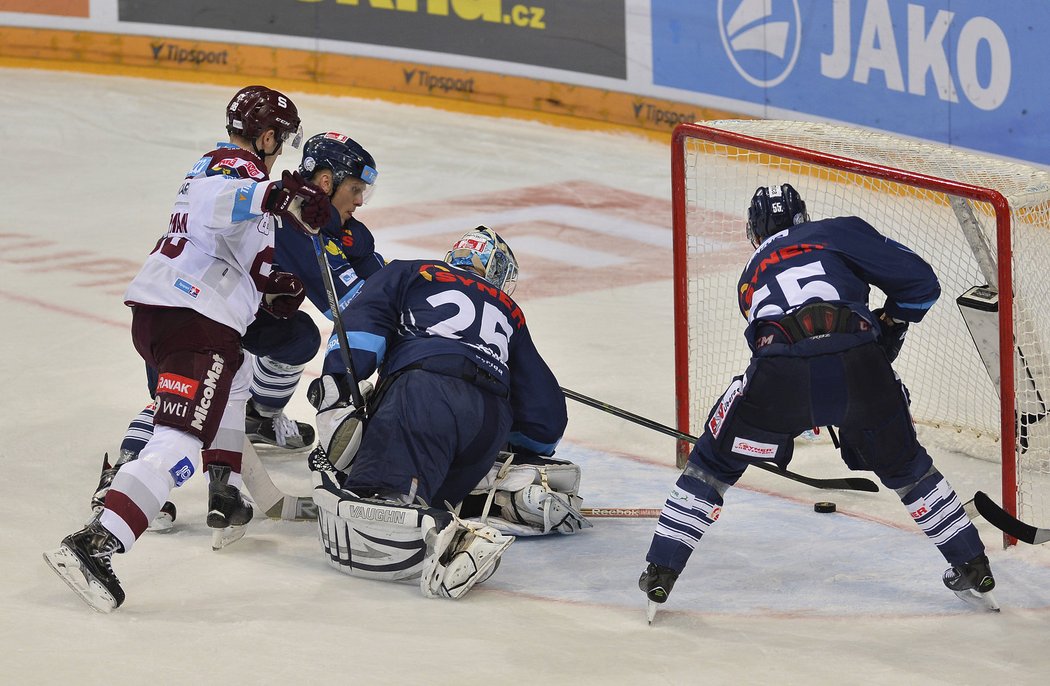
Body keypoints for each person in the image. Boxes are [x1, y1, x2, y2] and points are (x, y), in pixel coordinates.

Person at [639, 183, 998, 619]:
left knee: (712, 465)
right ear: (803, 219)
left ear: (754, 233)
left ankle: (661, 571)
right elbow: (922, 285)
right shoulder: (836, 232)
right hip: (862, 369)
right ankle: (972, 565)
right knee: (906, 466)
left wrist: (806, 409)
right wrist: (892, 321)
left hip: (779, 377)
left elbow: (789, 351)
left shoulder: (748, 277)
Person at [44, 85, 332, 612]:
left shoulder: (224, 168)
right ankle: (96, 543)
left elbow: (226, 243)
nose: (281, 150)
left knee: (238, 379)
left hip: (168, 312)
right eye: (281, 140)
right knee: (178, 442)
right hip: (195, 319)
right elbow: (214, 205)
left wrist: (273, 284)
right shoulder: (234, 169)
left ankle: (222, 485)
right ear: (266, 136)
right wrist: (273, 195)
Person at [88, 131, 386, 528]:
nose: (361, 199)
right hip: (189, 310)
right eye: (355, 188)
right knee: (184, 402)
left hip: (231, 308)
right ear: (327, 183)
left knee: (298, 336)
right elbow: (349, 307)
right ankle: (123, 471)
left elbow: (377, 287)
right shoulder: (284, 214)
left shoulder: (339, 228)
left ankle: (259, 416)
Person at [308, 226, 574, 598]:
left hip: (424, 396)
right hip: (489, 421)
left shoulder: (413, 270)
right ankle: (496, 489)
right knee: (434, 479)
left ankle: (454, 541)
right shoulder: (509, 309)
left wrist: (338, 385)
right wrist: (521, 447)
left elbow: (363, 325)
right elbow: (544, 422)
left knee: (378, 500)